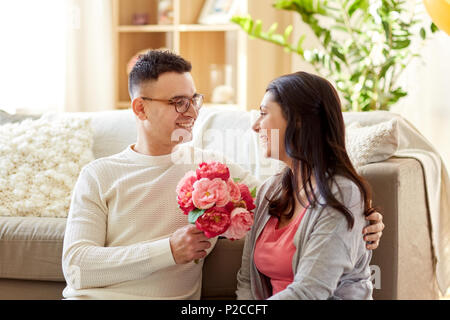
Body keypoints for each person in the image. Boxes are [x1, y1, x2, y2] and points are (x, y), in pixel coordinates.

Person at [62, 50, 383, 299]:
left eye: (193, 100)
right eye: (177, 102)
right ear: (140, 108)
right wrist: (168, 251)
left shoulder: (216, 171)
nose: (191, 112)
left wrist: (364, 222)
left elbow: (301, 208)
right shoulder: (99, 175)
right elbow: (76, 267)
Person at [236, 71, 384, 300]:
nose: (255, 126)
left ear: (298, 120)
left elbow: (310, 292)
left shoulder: (342, 194)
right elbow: (247, 280)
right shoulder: (270, 190)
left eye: (264, 114)